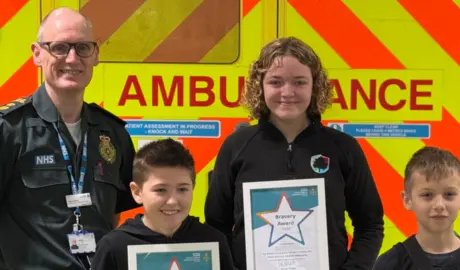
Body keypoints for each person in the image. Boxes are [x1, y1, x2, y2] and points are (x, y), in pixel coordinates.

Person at [204, 36, 384, 270]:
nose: (287, 92)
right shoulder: (236, 147)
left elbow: (370, 226)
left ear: (315, 85)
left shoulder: (343, 147)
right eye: (276, 82)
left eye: (299, 82)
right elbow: (217, 226)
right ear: (260, 85)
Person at [0, 8, 139, 270]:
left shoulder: (113, 133)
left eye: (83, 47)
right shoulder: (10, 129)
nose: (72, 58)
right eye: (60, 47)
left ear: (96, 54)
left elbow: (114, 213)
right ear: (37, 54)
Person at [91, 139, 235, 270]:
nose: (172, 201)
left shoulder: (214, 241)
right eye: (160, 190)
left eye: (182, 189)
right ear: (137, 192)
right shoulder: (113, 246)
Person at [373, 146, 460, 270]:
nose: (439, 205)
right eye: (427, 195)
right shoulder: (390, 264)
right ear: (407, 200)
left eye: (449, 194)